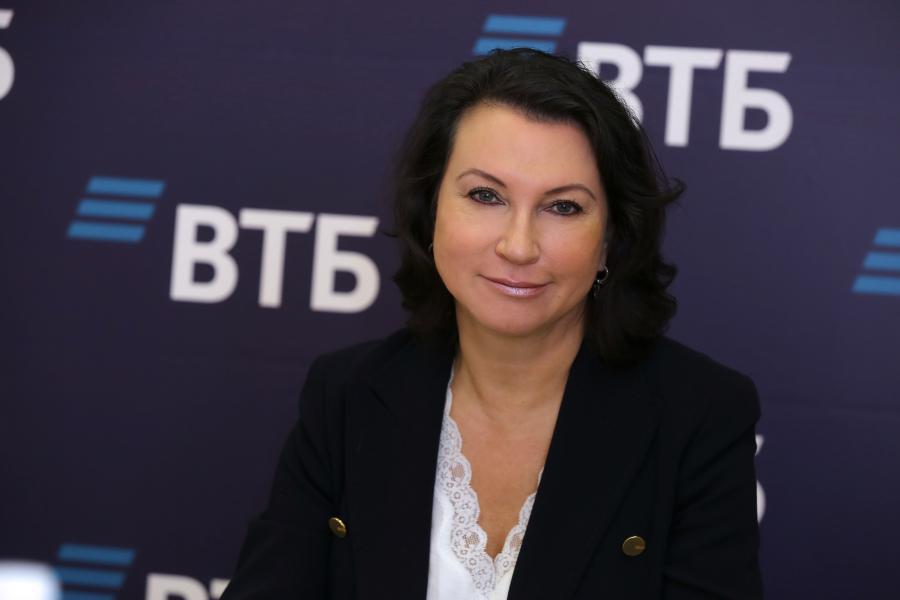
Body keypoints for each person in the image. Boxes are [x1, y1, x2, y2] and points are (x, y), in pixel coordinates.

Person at [220, 48, 763, 600]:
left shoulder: (701, 416)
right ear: (431, 210)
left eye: (563, 207)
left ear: (611, 238)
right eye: (486, 196)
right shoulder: (346, 396)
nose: (518, 246)